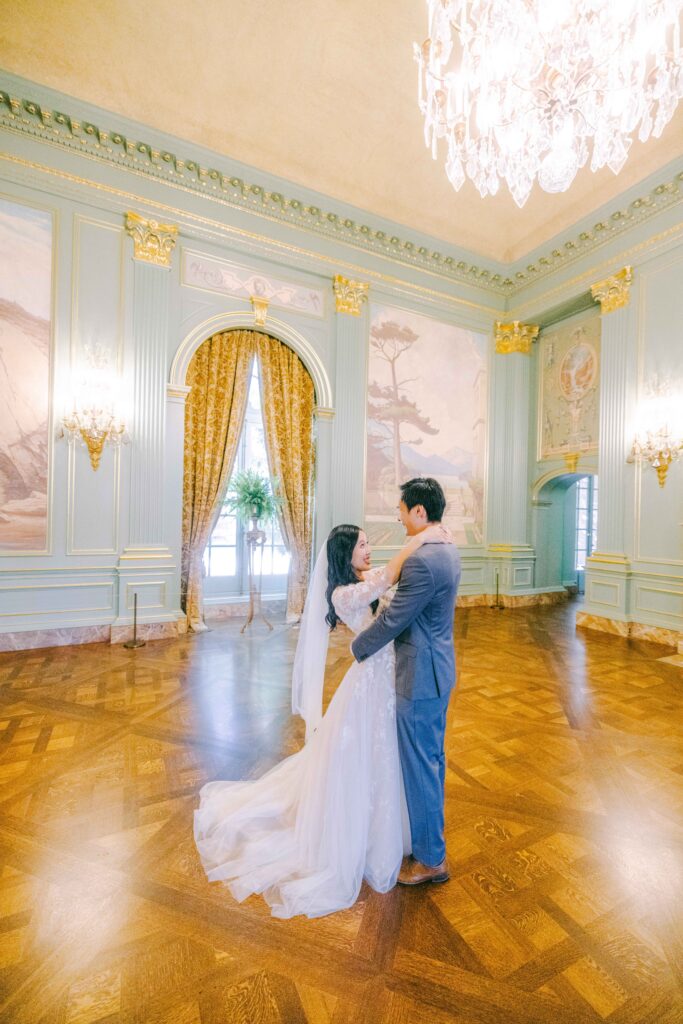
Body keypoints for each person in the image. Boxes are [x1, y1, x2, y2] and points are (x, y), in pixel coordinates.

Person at [194, 519, 449, 918]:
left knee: (387, 756)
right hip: (370, 684)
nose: (368, 550)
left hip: (390, 679)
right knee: (367, 755)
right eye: (361, 545)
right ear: (345, 554)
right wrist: (421, 539)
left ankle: (395, 830)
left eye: (368, 543)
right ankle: (360, 835)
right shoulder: (345, 594)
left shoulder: (364, 581)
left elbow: (390, 593)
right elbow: (388, 578)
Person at [352, 477, 461, 886]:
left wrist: (356, 649)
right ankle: (429, 842)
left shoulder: (422, 559)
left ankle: (432, 859)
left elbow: (396, 620)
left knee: (420, 765)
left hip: (419, 676)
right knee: (430, 761)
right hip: (439, 668)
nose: (400, 520)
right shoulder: (446, 548)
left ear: (419, 511)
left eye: (401, 511)